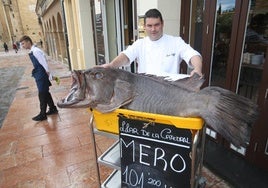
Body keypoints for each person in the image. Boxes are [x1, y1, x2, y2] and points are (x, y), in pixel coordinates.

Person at [102, 9, 203, 78]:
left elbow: (193, 55)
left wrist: (197, 69)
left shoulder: (176, 42)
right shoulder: (139, 44)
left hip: (170, 92)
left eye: (156, 25)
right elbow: (126, 56)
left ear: (162, 23)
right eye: (149, 26)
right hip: (145, 92)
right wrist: (112, 65)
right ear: (144, 26)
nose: (153, 29)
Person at [20, 35, 58, 121]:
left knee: (42, 93)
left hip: (42, 74)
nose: (22, 46)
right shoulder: (33, 51)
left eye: (23, 43)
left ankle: (42, 114)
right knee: (45, 92)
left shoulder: (36, 51)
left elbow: (44, 63)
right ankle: (53, 108)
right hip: (39, 74)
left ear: (28, 42)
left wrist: (49, 75)